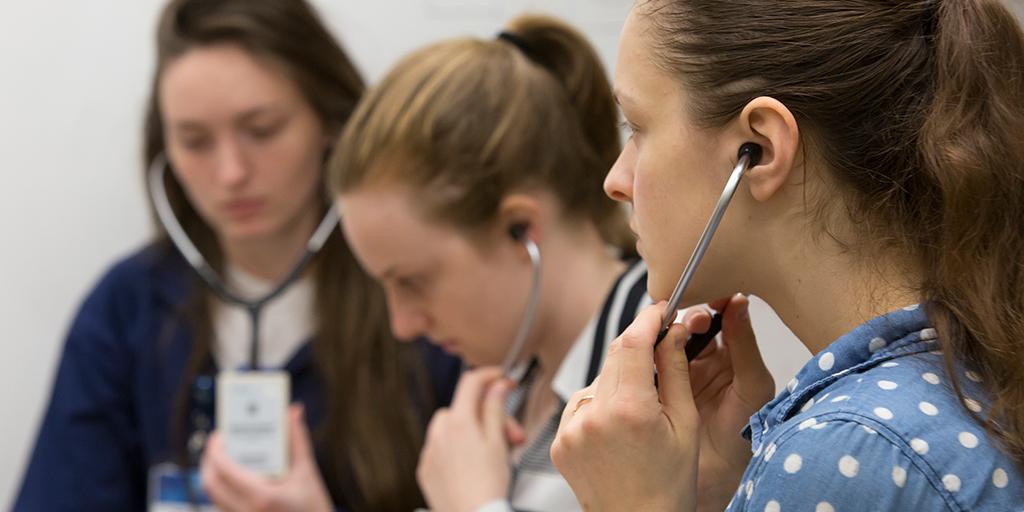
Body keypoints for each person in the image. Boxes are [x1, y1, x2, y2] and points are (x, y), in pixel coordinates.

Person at [550, 0, 1024, 510]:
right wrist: (719, 493)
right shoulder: (957, 381)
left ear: (760, 149)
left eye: (638, 128)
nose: (615, 182)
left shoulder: (853, 449)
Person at [14, 1, 459, 510]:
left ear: (332, 124)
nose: (231, 173)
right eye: (195, 141)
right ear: (166, 149)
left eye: (262, 129)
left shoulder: (419, 305)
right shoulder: (126, 310)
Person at [328, 14, 648, 512]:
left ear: (520, 228)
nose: (402, 325)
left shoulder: (668, 371)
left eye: (412, 281)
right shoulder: (516, 387)